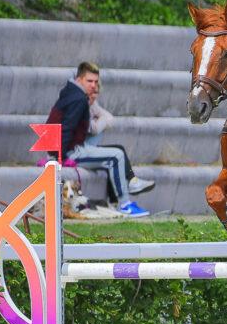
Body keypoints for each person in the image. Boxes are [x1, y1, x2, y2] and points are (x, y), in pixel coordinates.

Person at [45, 61, 150, 217]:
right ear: (80, 79)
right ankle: (125, 204)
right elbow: (66, 128)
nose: (94, 85)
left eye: (96, 81)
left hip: (70, 148)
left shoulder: (71, 92)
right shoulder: (78, 99)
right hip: (71, 152)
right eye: (89, 81)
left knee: (116, 153)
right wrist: (60, 156)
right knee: (116, 156)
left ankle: (116, 200)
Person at [85, 82, 155, 201]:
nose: (93, 96)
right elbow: (95, 129)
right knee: (115, 156)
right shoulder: (82, 106)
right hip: (81, 151)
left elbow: (110, 118)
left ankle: (127, 186)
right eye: (91, 93)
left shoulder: (93, 105)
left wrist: (101, 120)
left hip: (89, 147)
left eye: (96, 93)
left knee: (118, 150)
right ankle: (125, 196)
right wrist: (101, 120)